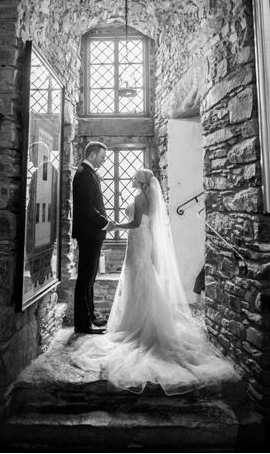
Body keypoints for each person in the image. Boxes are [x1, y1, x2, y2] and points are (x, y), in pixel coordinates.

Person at [82, 168, 236, 394]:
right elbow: (147, 224)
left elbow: (134, 224)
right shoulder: (152, 198)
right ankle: (144, 316)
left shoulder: (137, 197)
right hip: (146, 240)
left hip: (137, 239)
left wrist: (115, 225)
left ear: (142, 182)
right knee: (143, 276)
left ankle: (137, 322)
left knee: (137, 276)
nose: (132, 180)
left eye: (135, 178)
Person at [71, 142, 113, 334]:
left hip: (92, 233)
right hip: (89, 234)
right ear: (93, 154)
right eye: (102, 157)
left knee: (90, 278)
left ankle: (90, 317)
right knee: (85, 279)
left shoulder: (88, 173)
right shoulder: (83, 174)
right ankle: (82, 324)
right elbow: (87, 208)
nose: (103, 161)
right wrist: (105, 222)